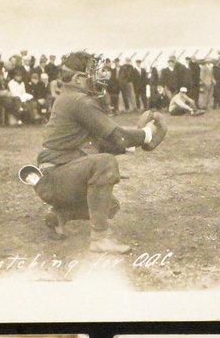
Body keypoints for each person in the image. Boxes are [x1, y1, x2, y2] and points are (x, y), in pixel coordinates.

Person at [30, 50, 161, 253]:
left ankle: (61, 215)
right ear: (78, 78)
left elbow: (100, 142)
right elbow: (117, 137)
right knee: (105, 163)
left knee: (109, 206)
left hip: (55, 177)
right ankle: (100, 238)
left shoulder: (69, 97)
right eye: (93, 73)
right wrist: (146, 134)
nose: (101, 77)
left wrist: (133, 143)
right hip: (55, 179)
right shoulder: (79, 100)